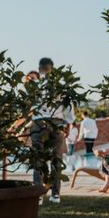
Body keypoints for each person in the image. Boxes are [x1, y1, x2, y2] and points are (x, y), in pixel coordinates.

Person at [31, 57, 75, 204]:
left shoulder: (34, 86)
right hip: (57, 123)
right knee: (56, 159)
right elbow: (69, 108)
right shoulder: (60, 87)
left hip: (39, 123)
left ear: (39, 69)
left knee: (38, 158)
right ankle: (55, 195)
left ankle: (38, 194)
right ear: (52, 69)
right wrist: (68, 125)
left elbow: (28, 106)